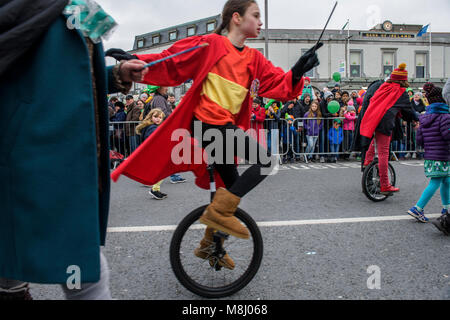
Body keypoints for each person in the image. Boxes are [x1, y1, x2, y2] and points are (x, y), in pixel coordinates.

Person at [111, 0, 321, 268]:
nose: (260, 21)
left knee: (228, 188)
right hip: (208, 125)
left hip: (222, 128)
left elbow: (278, 85)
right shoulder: (211, 44)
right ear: (236, 17)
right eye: (255, 15)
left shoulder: (254, 59)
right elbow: (172, 62)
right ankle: (218, 216)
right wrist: (133, 61)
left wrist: (298, 69)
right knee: (266, 161)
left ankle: (212, 245)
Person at [0, 0, 148, 300]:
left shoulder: (74, 8)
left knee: (17, 266)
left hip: (66, 160)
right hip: (38, 161)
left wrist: (117, 74)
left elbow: (73, 79)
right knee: (84, 274)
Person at [357, 64, 419, 195]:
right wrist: (417, 118)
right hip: (385, 123)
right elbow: (409, 111)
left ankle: (367, 160)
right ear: (403, 80)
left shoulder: (384, 87)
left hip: (374, 119)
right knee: (383, 154)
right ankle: (385, 184)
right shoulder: (400, 92)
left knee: (375, 140)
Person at [407, 83, 450, 226]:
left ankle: (446, 208)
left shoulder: (425, 117)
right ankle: (418, 208)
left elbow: (419, 139)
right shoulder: (445, 117)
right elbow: (447, 135)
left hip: (431, 155)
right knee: (437, 182)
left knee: (446, 181)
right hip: (443, 155)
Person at [136, 109, 168, 200]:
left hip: (153, 153)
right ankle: (154, 189)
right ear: (151, 117)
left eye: (160, 117)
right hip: (154, 153)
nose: (158, 119)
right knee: (162, 171)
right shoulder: (152, 128)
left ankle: (156, 189)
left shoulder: (149, 126)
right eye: (156, 117)